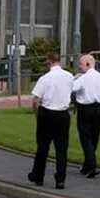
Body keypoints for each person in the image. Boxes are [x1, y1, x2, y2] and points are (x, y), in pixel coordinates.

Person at [28, 52, 73, 189]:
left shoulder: (45, 78)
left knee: (42, 147)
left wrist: (37, 114)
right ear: (59, 61)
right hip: (63, 114)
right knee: (61, 148)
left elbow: (35, 100)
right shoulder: (69, 76)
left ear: (49, 62)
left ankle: (38, 176)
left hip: (47, 113)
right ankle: (60, 179)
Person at [72, 54, 100, 178]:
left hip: (85, 109)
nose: (79, 67)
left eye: (81, 64)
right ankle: (87, 165)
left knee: (85, 137)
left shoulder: (83, 78)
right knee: (94, 137)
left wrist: (75, 77)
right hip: (98, 110)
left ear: (88, 64)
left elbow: (72, 88)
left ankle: (91, 165)